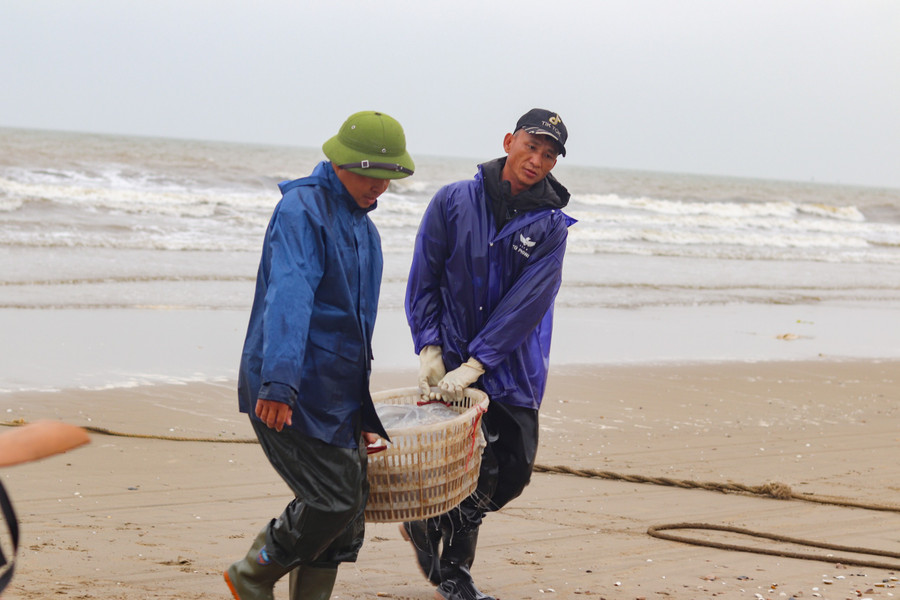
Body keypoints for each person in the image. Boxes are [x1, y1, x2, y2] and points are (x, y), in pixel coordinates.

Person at [226, 110, 414, 600]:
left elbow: (356, 332)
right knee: (332, 501)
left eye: (388, 178)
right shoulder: (301, 211)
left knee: (349, 517)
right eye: (373, 176)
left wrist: (362, 413)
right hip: (288, 386)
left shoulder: (366, 234)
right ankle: (251, 573)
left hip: (338, 395)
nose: (380, 188)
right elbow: (290, 295)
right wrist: (280, 382)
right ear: (342, 162)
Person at [403, 108, 576, 600]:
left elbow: (528, 304)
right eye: (531, 146)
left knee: (512, 472)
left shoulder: (551, 225)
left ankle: (426, 523)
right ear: (509, 141)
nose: (537, 159)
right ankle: (455, 573)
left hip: (512, 368)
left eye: (548, 154)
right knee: (469, 468)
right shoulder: (453, 200)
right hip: (450, 358)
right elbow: (425, 277)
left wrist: (478, 364)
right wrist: (430, 347)